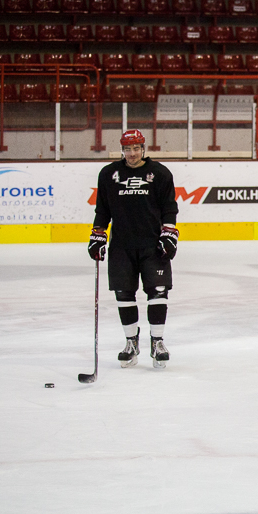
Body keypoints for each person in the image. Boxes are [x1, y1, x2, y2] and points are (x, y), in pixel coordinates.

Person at [88, 129, 179, 369]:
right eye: (127, 149)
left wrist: (169, 233)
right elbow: (102, 209)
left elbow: (169, 208)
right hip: (122, 246)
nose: (132, 153)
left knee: (158, 290)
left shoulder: (160, 173)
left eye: (136, 148)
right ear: (122, 150)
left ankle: (157, 342)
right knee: (123, 293)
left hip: (153, 245)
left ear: (143, 148)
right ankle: (131, 342)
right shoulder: (108, 174)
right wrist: (98, 235)